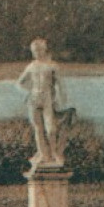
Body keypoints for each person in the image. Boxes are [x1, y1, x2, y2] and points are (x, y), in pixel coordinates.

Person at [17, 38, 76, 166]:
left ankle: (54, 153)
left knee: (51, 129)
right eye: (34, 50)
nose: (37, 52)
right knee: (38, 129)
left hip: (47, 98)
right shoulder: (31, 66)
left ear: (44, 50)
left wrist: (63, 99)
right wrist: (30, 91)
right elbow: (20, 82)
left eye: (39, 50)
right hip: (34, 99)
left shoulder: (52, 65)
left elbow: (61, 85)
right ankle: (43, 155)